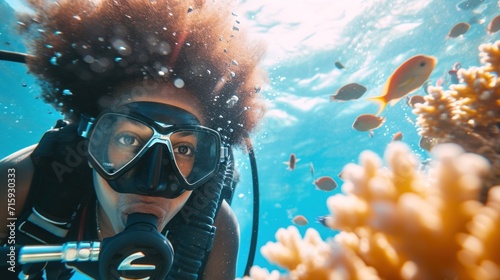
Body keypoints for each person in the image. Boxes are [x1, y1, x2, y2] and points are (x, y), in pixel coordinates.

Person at [0, 0, 267, 279]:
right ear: (91, 139)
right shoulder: (19, 181)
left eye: (184, 148)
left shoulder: (217, 229)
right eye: (128, 139)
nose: (152, 183)